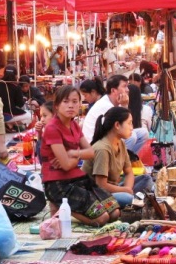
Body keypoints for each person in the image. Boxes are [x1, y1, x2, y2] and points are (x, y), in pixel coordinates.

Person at [40, 86, 120, 226]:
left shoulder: (74, 125)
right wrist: (78, 156)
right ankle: (61, 206)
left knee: (114, 212)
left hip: (78, 178)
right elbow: (65, 165)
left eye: (75, 101)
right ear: (57, 106)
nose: (71, 105)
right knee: (102, 218)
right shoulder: (52, 128)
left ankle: (62, 206)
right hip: (58, 184)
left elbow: (91, 152)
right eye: (66, 101)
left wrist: (73, 153)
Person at [83, 106, 154, 207]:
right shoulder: (103, 148)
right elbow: (101, 185)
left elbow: (129, 172)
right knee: (127, 198)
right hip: (96, 194)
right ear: (117, 125)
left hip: (115, 189)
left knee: (146, 179)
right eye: (129, 123)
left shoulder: (120, 143)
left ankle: (132, 199)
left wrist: (127, 189)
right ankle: (132, 200)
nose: (132, 127)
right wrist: (125, 191)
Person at [82, 75, 128, 142]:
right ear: (113, 90)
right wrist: (125, 106)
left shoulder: (116, 102)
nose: (127, 90)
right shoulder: (106, 106)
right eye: (124, 86)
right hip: (95, 144)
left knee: (142, 133)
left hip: (104, 139)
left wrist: (124, 105)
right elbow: (122, 129)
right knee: (130, 138)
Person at [0, 65, 31, 130]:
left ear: (4, 73)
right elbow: (20, 104)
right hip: (8, 115)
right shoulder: (16, 86)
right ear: (15, 75)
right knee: (29, 116)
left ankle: (7, 124)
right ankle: (10, 124)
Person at [121, 85, 149, 154]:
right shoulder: (146, 109)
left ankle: (132, 158)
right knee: (132, 136)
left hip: (128, 134)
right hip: (123, 135)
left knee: (143, 132)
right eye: (125, 86)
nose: (126, 90)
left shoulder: (145, 109)